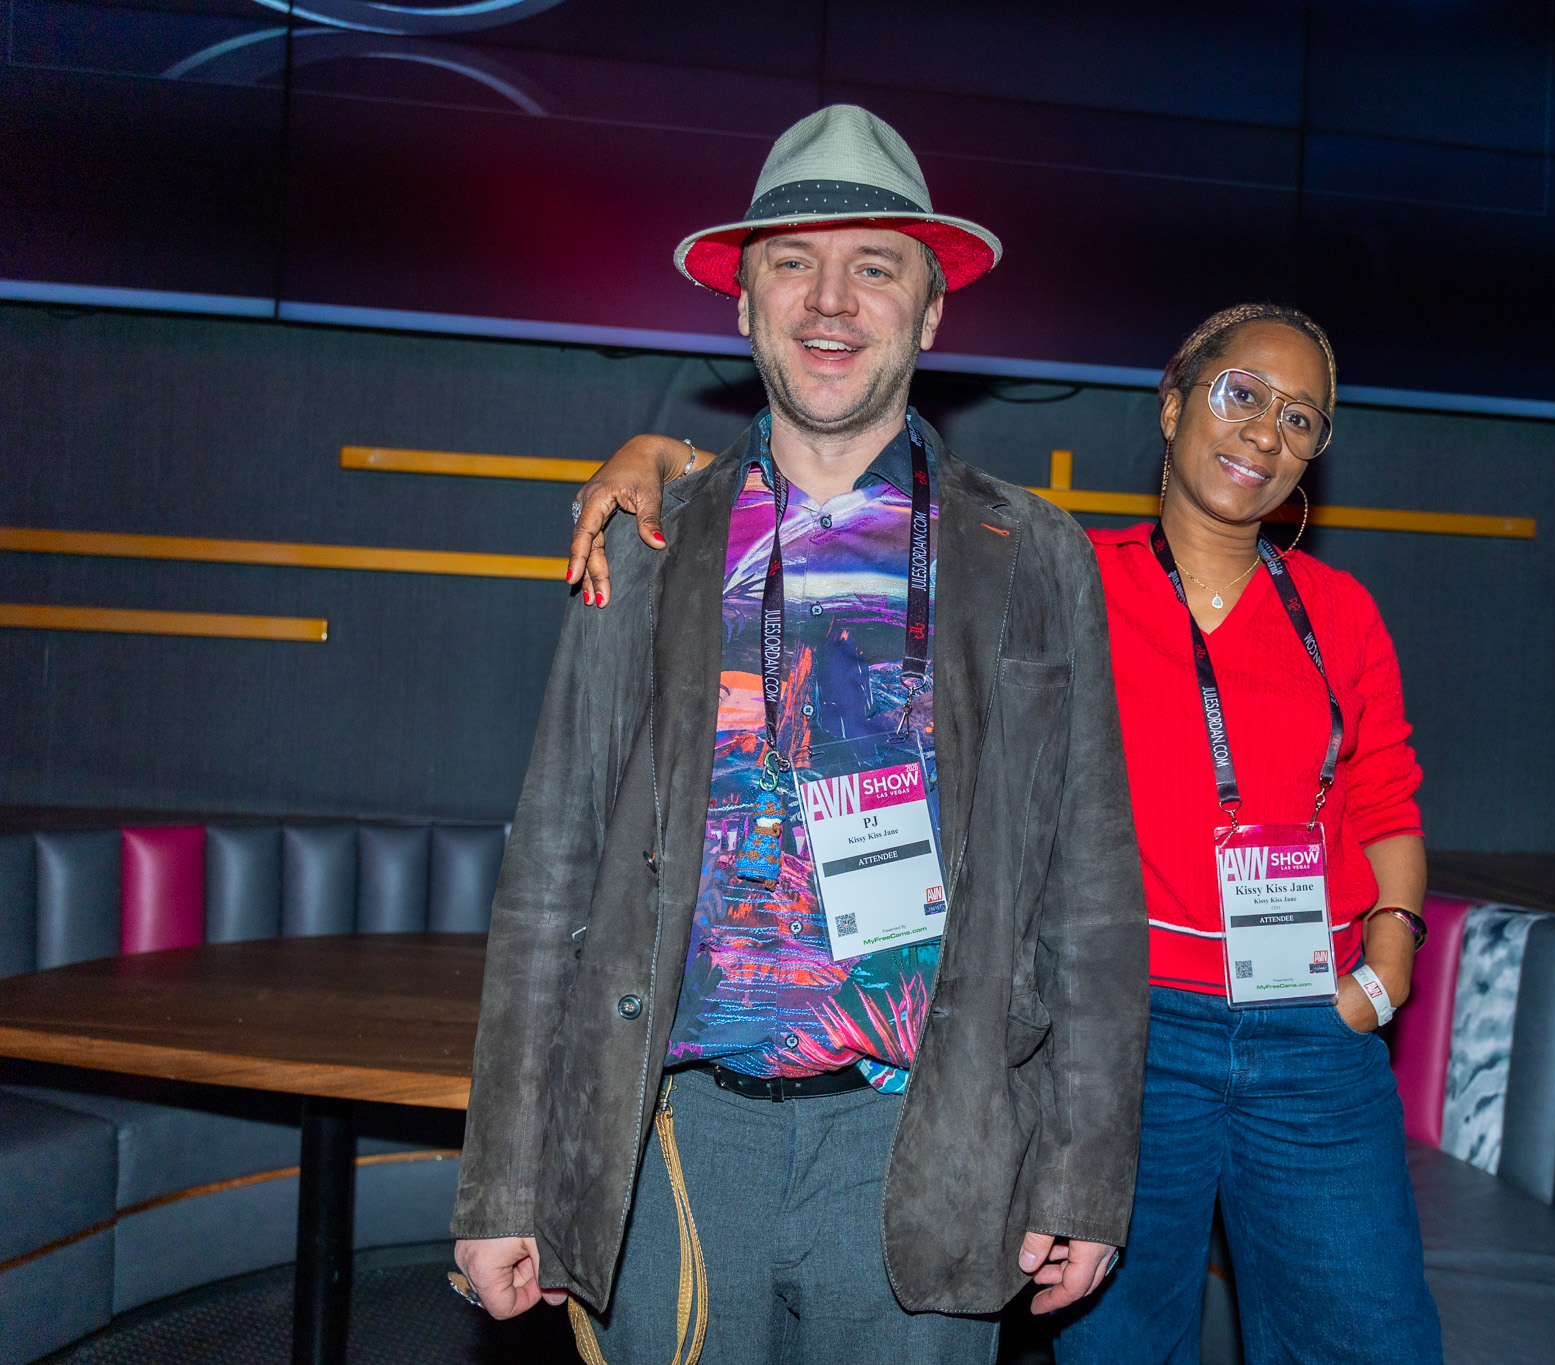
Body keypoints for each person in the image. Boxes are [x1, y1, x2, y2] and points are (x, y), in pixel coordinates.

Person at [570, 303, 1441, 1364]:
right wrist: (667, 457)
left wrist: (1387, 965)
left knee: (1370, 1339)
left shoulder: (1339, 612)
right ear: (1172, 406)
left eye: (1300, 418)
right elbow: (845, 508)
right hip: (1129, 1037)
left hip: (1311, 1032)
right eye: (1241, 394)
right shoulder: (1057, 572)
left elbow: (1385, 799)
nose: (1265, 431)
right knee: (1121, 1351)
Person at [452, 104, 1149, 1365]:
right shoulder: (645, 541)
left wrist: (1084, 1174)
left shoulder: (1036, 553)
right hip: (673, 1142)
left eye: (874, 266)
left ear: (930, 311)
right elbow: (550, 864)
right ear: (742, 301)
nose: (829, 300)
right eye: (792, 262)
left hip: (927, 1140)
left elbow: (1089, 889)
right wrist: (505, 1178)